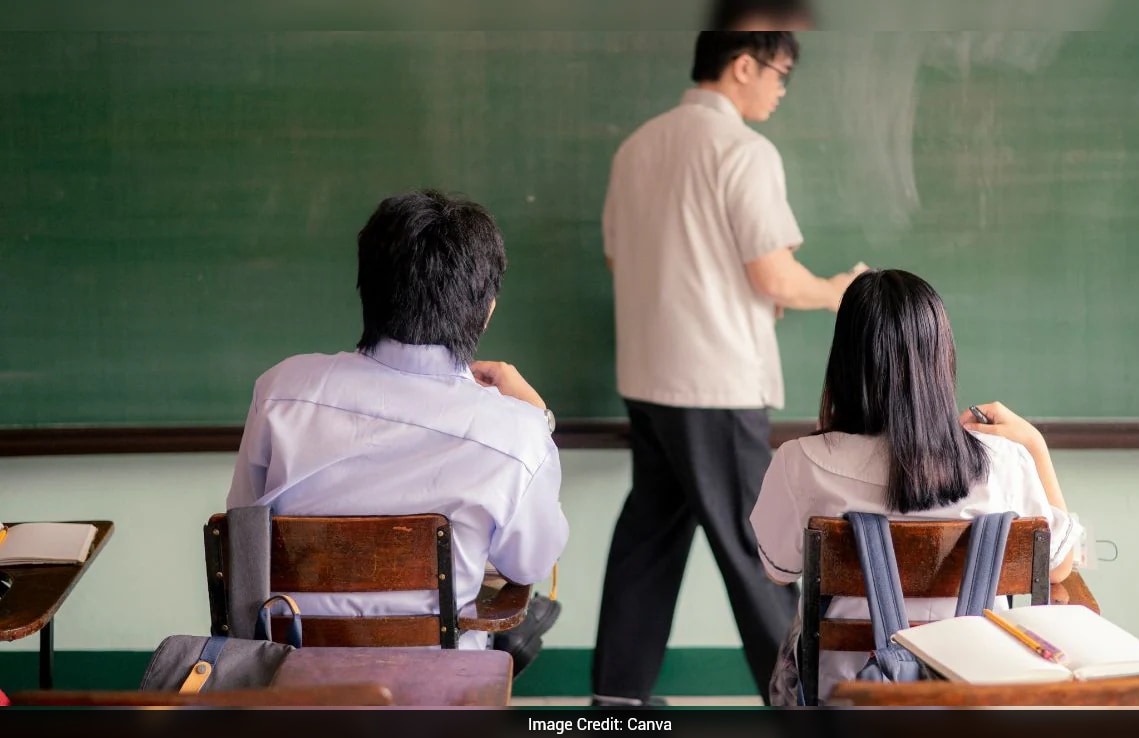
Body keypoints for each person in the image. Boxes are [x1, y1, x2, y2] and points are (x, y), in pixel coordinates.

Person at [593, 31, 867, 706]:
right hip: (714, 383)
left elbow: (618, 259)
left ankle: (616, 703)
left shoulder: (637, 146)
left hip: (648, 378)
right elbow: (773, 272)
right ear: (742, 65)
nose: (779, 88)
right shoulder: (743, 150)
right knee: (760, 550)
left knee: (648, 541)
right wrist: (838, 290)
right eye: (778, 73)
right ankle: (801, 701)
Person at [227, 190, 569, 650]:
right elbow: (529, 566)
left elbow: (242, 536)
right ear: (486, 311)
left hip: (291, 682)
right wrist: (538, 418)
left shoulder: (280, 392)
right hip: (436, 699)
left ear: (366, 286)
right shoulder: (515, 434)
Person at [750, 269, 1081, 703]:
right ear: (941, 358)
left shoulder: (800, 461)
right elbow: (1059, 566)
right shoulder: (1004, 460)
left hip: (849, 697)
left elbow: (778, 570)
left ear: (844, 362)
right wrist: (1035, 444)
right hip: (980, 698)